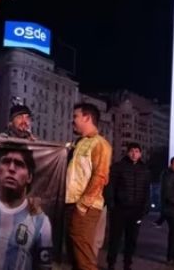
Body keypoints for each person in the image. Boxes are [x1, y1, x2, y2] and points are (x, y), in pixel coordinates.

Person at [65, 103, 112, 270]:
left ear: (87, 118)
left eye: (76, 116)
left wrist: (82, 206)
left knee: (84, 257)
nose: (73, 120)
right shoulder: (79, 143)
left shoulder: (100, 144)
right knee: (74, 255)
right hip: (72, 204)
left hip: (86, 207)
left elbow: (100, 177)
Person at [105, 142, 151, 270]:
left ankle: (127, 264)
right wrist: (111, 204)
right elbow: (110, 186)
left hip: (136, 211)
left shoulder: (145, 169)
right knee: (115, 239)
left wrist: (146, 206)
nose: (134, 153)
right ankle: (111, 264)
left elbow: (147, 189)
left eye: (137, 151)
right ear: (127, 152)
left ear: (140, 153)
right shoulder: (118, 167)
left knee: (132, 239)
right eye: (132, 151)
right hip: (119, 210)